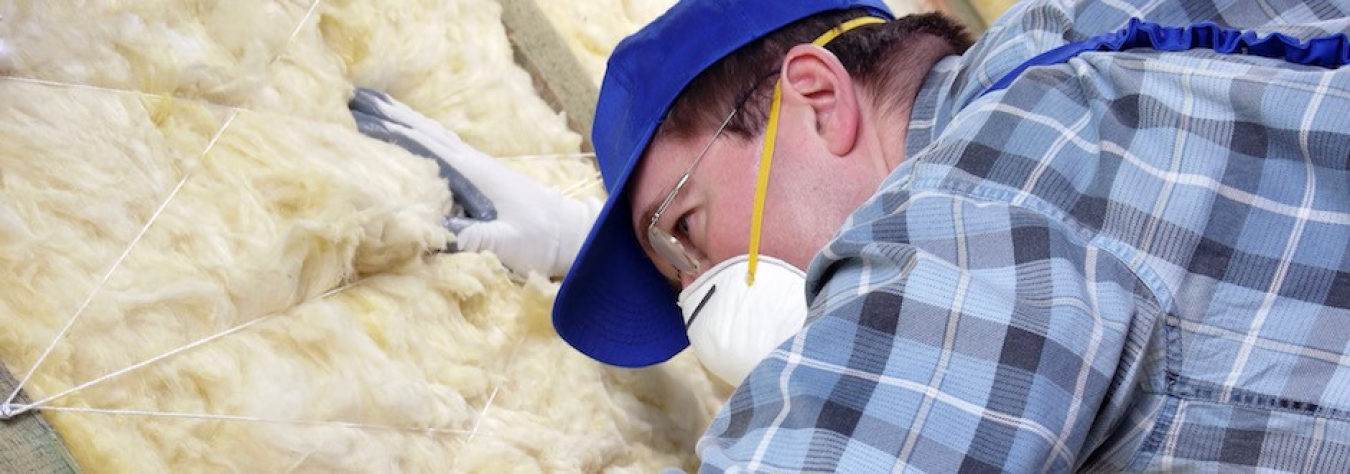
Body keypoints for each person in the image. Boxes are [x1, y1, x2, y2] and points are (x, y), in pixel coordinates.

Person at [351, 0, 1350, 470]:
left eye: (690, 234)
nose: (705, 306)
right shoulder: (1114, 32)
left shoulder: (970, 222)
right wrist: (597, 240)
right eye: (680, 279)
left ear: (819, 99)